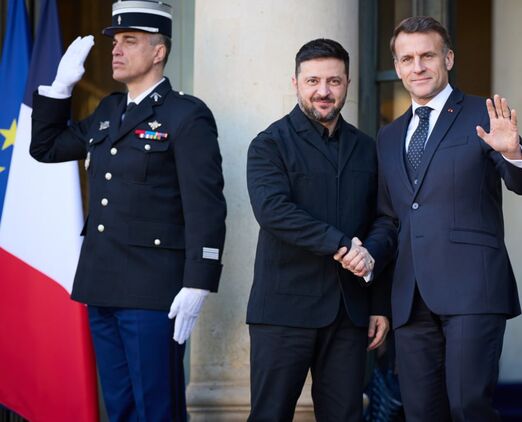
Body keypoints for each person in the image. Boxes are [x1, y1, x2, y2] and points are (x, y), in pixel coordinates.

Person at [29, 1, 226, 420]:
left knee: (157, 408)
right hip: (101, 284)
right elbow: (45, 148)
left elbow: (205, 205)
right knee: (119, 408)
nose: (116, 50)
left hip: (152, 290)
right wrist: (59, 88)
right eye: (115, 41)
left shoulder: (186, 115)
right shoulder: (109, 110)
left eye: (129, 41)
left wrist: (199, 281)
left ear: (158, 52)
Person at [344, 16, 522, 421]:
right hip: (410, 297)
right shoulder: (388, 136)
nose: (417, 67)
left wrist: (512, 153)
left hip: (472, 291)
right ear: (397, 67)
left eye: (427, 56)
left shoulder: (483, 115)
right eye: (407, 59)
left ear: (448, 59)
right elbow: (389, 218)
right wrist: (368, 256)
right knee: (421, 413)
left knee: (468, 406)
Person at [245, 38, 394, 422]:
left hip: (349, 313)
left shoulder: (368, 148)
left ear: (347, 84)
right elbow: (273, 211)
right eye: (313, 81)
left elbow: (383, 220)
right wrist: (342, 245)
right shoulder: (268, 144)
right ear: (295, 83)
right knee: (269, 416)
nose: (323, 91)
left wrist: (378, 303)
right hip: (283, 312)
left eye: (334, 81)